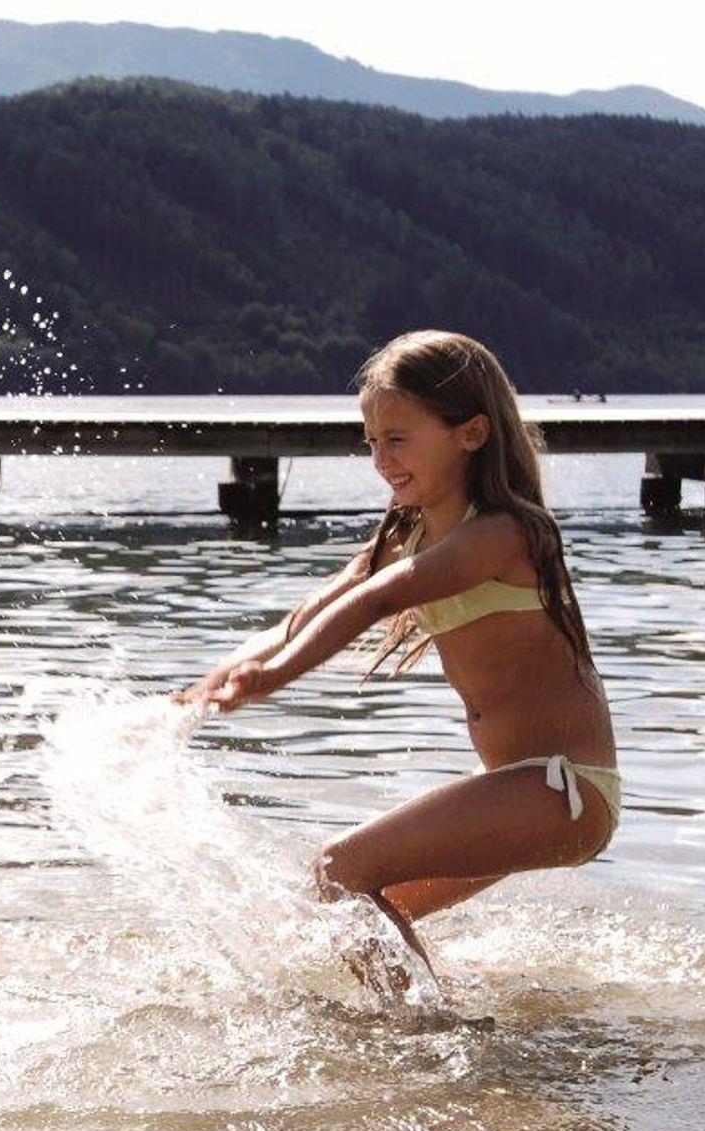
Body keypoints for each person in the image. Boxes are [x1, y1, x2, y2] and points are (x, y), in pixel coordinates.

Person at [178, 330, 618, 989]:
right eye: (372, 443)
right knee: (354, 913)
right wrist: (208, 686)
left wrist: (275, 676)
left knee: (339, 873)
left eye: (398, 439)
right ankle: (448, 1026)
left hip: (564, 790)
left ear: (471, 433)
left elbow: (382, 596)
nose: (382, 461)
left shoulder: (506, 533)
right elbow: (305, 615)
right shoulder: (408, 532)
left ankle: (421, 1032)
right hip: (517, 788)